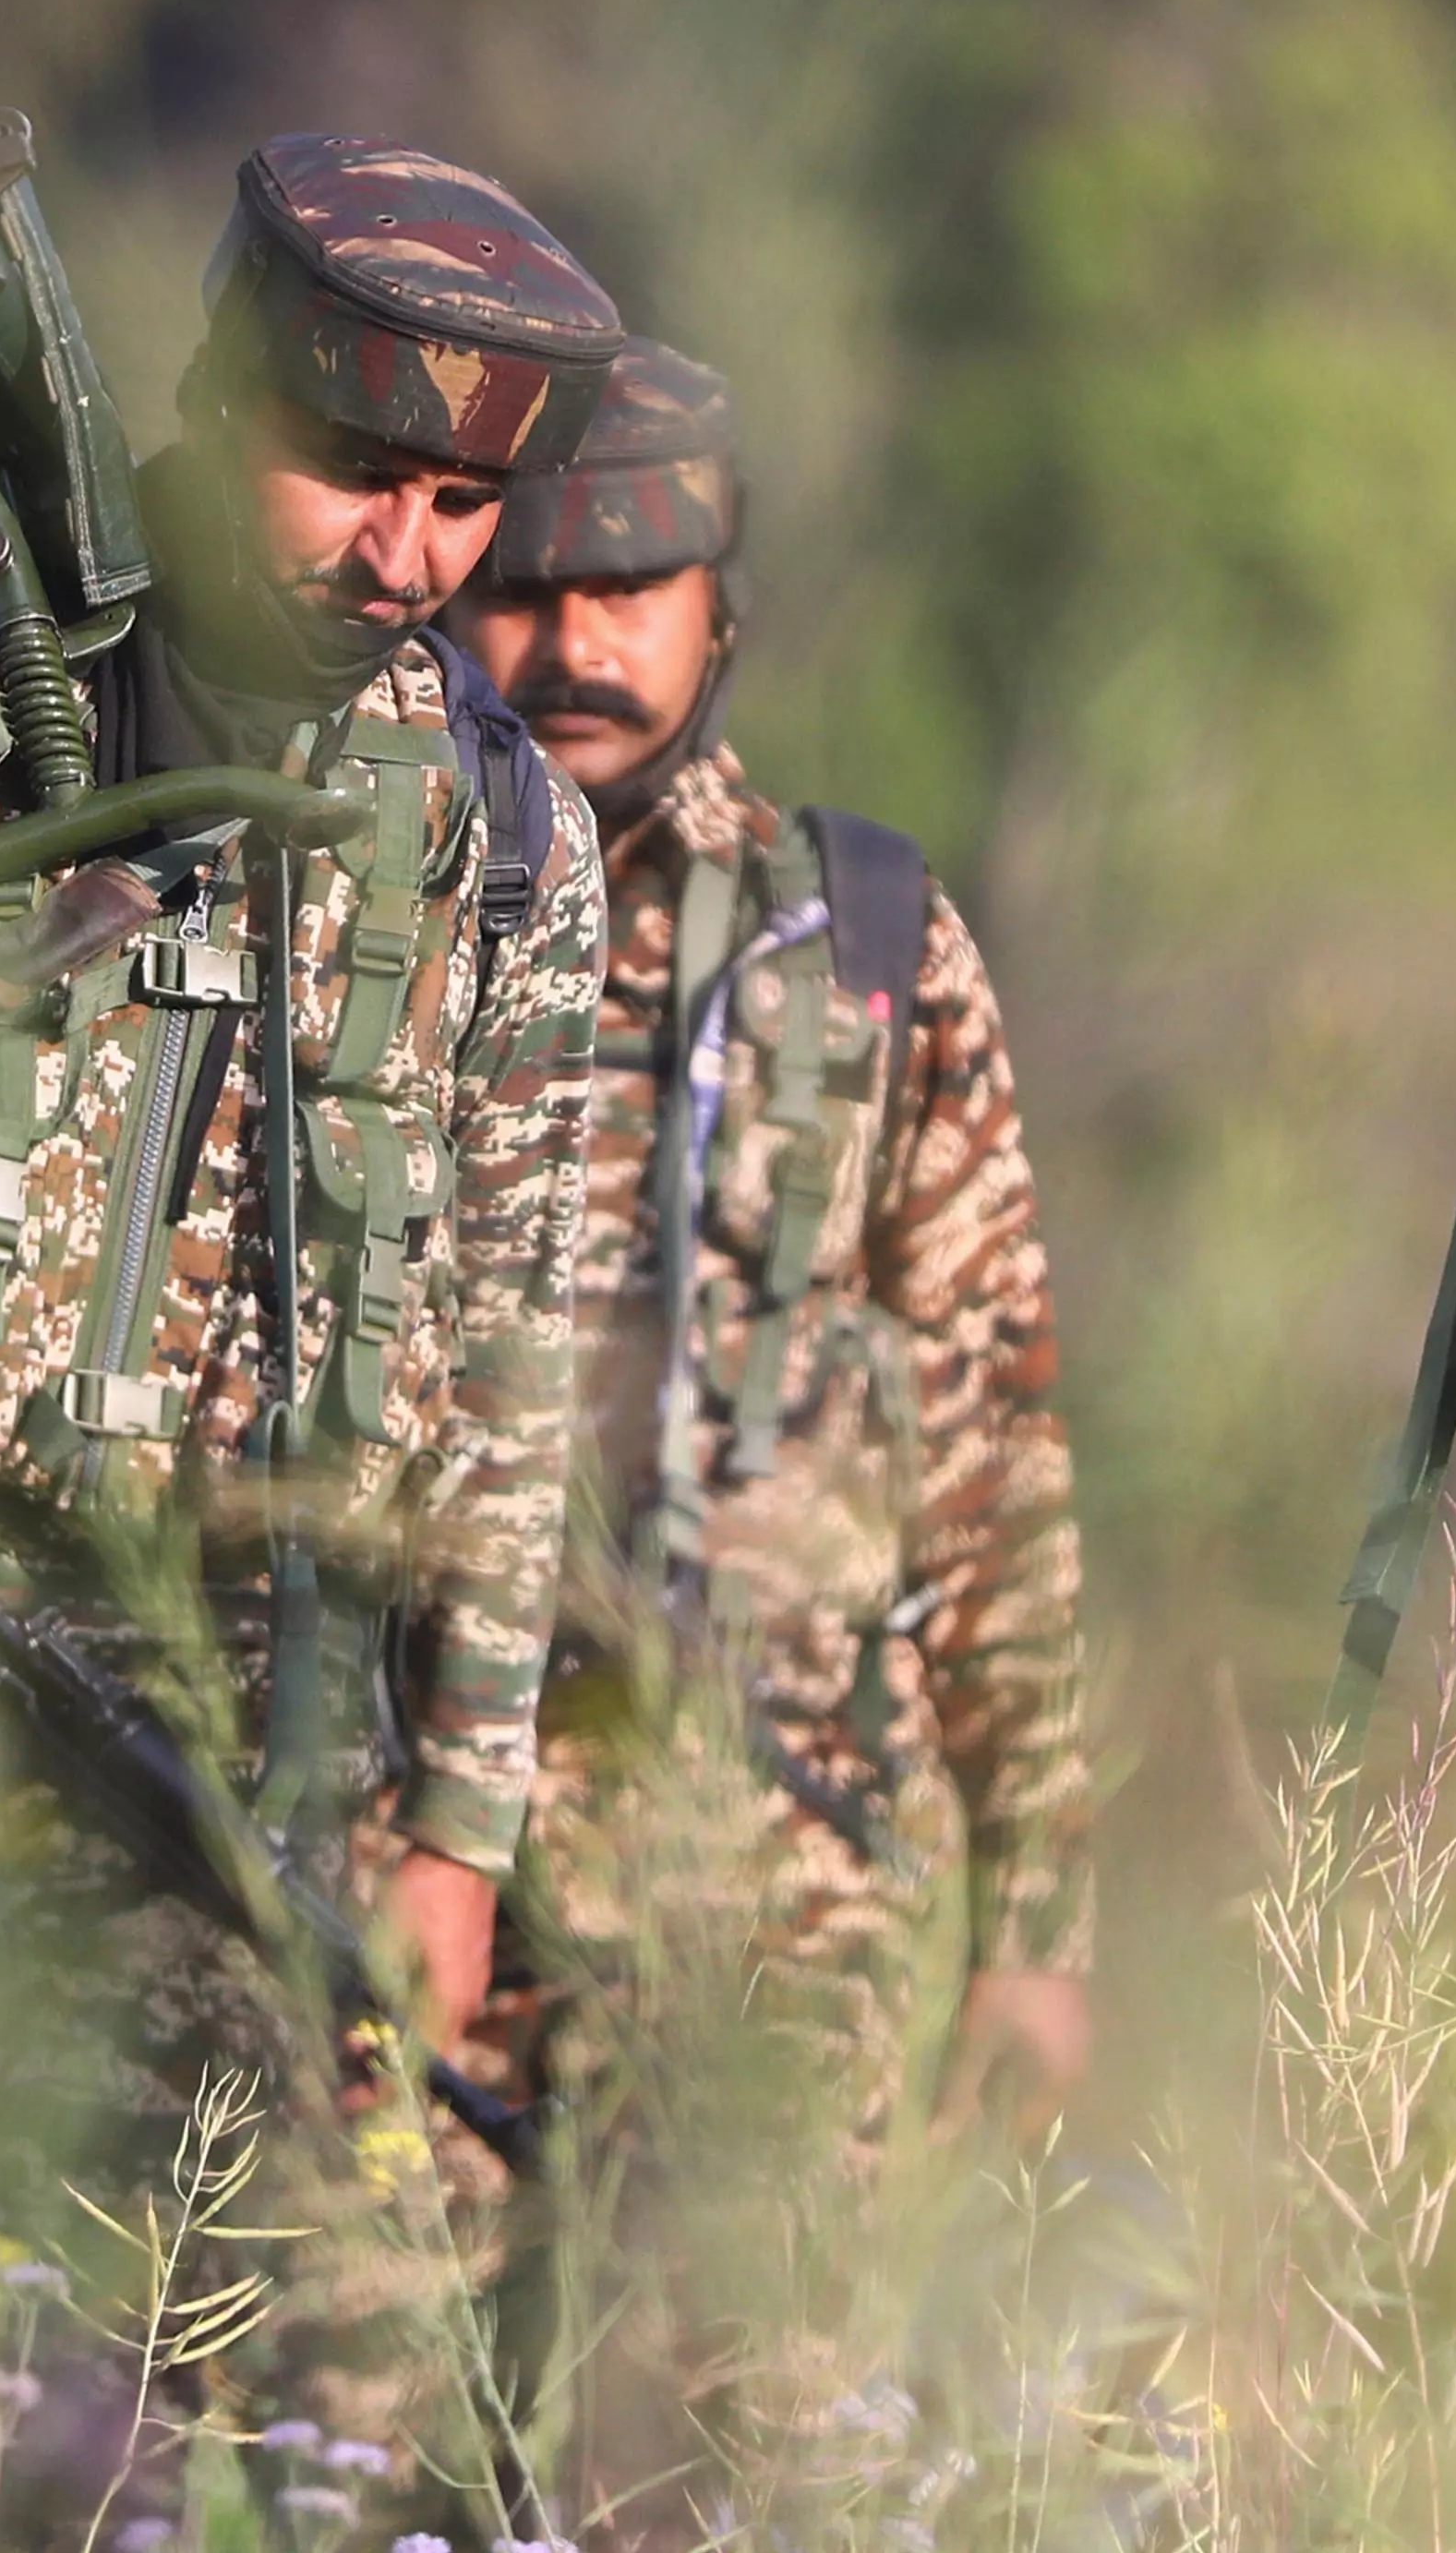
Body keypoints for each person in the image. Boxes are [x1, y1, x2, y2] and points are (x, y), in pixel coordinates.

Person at [0, 134, 620, 2511]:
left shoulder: (493, 831)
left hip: (196, 1710)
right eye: (356, 469)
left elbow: (507, 1358)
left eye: (464, 508)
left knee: (127, 2390)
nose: (405, 552)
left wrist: (456, 1829)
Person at [439, 334, 1096, 2158]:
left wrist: (1038, 1921)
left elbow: (989, 1440)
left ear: (718, 607)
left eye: (627, 588)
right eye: (523, 590)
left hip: (782, 1891)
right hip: (406, 1867)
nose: (573, 643)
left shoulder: (865, 942)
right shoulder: (361, 921)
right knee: (365, 2427)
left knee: (751, 2437)